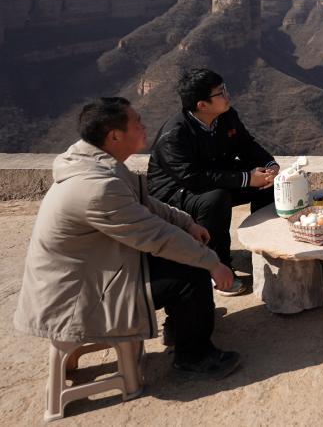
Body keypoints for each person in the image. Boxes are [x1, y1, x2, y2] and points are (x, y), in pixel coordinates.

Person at [14, 98, 241, 378]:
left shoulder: (95, 164)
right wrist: (212, 263)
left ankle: (182, 326)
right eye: (137, 123)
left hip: (91, 276)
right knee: (191, 271)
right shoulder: (96, 188)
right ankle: (194, 356)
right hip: (77, 300)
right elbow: (157, 236)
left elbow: (145, 203)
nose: (144, 127)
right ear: (114, 136)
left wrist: (186, 222)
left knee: (185, 253)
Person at [147, 67, 279, 295]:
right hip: (175, 191)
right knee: (215, 200)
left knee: (267, 183)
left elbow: (246, 145)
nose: (227, 95)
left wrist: (269, 166)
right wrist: (246, 179)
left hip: (213, 175)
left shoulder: (226, 116)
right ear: (202, 105)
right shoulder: (175, 135)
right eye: (221, 92)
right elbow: (193, 178)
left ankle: (264, 249)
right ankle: (218, 266)